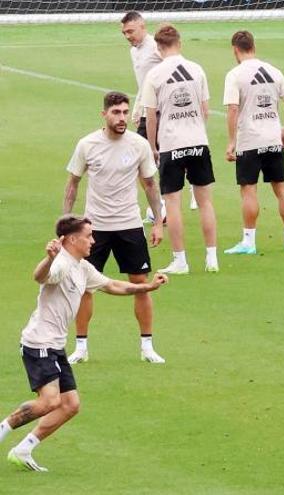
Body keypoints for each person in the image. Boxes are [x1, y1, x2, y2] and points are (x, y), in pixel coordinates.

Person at [0, 215, 167, 472]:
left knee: (70, 405)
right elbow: (40, 276)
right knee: (48, 402)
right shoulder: (62, 264)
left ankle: (23, 449)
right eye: (88, 235)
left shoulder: (82, 267)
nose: (93, 240)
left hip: (55, 345)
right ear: (72, 239)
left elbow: (112, 285)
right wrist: (49, 258)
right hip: (39, 343)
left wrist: (148, 288)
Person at [63, 91, 166, 364]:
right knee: (85, 286)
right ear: (104, 114)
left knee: (140, 283)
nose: (122, 118)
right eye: (116, 113)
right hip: (93, 228)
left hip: (129, 224)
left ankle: (147, 347)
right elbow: (73, 183)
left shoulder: (138, 144)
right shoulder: (87, 145)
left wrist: (158, 222)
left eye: (124, 112)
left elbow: (150, 185)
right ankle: (81, 347)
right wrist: (67, 225)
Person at [142, 23, 218, 274]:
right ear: (180, 43)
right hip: (198, 141)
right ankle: (212, 258)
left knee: (172, 203)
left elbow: (150, 116)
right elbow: (205, 109)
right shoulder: (197, 69)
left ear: (158, 47)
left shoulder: (154, 75)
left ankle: (180, 260)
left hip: (171, 144)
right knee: (205, 202)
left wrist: (153, 146)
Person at [222, 30, 284, 255]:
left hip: (249, 140)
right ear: (253, 46)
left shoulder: (235, 74)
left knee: (249, 190)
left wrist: (231, 142)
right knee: (281, 188)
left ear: (235, 49)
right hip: (273, 138)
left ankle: (249, 241)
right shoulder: (274, 71)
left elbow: (233, 109)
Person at [120, 11, 197, 212]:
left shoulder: (156, 46)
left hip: (163, 110)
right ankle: (160, 204)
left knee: (167, 154)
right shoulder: (133, 51)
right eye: (124, 33)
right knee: (144, 156)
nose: (128, 36)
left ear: (142, 26)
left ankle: (189, 192)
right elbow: (144, 84)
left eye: (131, 31)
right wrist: (138, 108)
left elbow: (177, 69)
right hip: (148, 110)